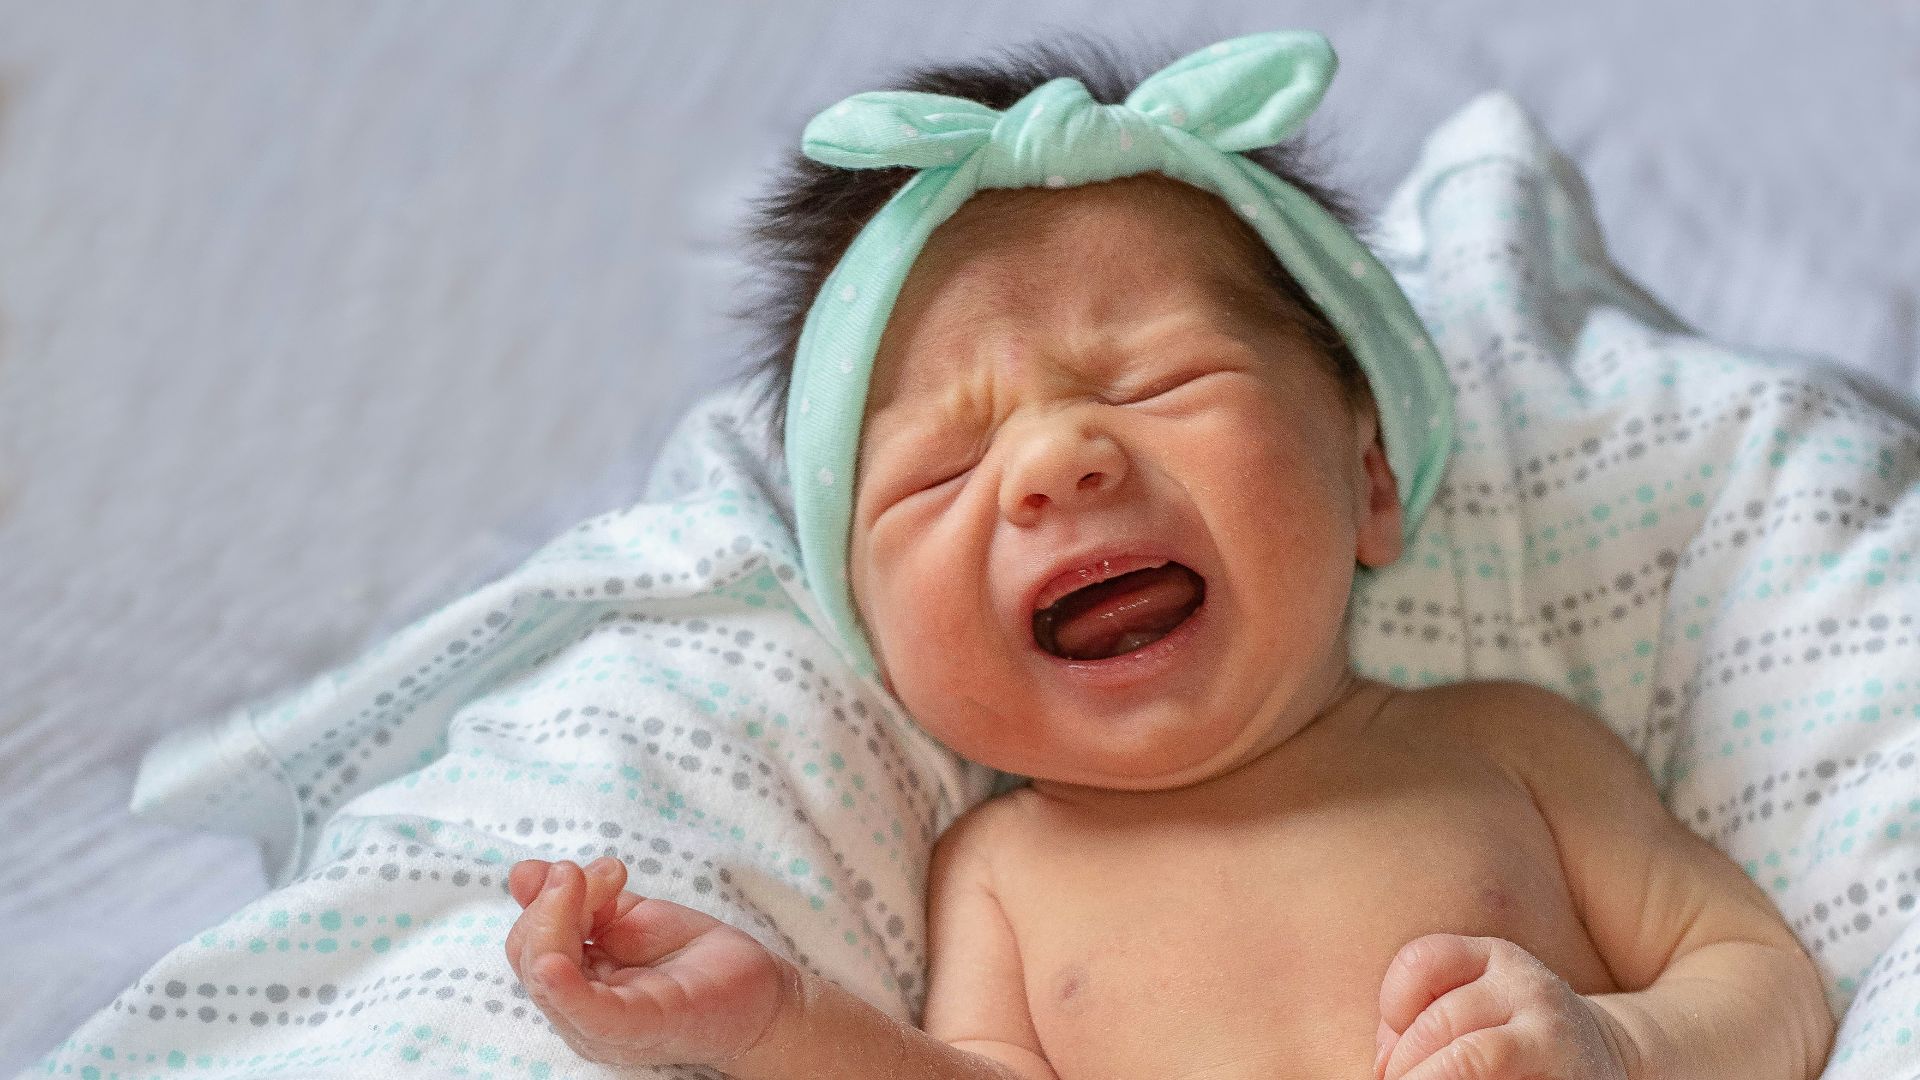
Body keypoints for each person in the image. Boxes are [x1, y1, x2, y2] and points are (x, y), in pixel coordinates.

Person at [500, 31, 1834, 1080]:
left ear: (1370, 475)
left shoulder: (1508, 750)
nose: (1054, 462)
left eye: (1154, 381)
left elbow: (1766, 984)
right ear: (869, 628)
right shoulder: (1006, 875)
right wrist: (772, 1026)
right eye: (947, 470)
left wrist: (1622, 1050)